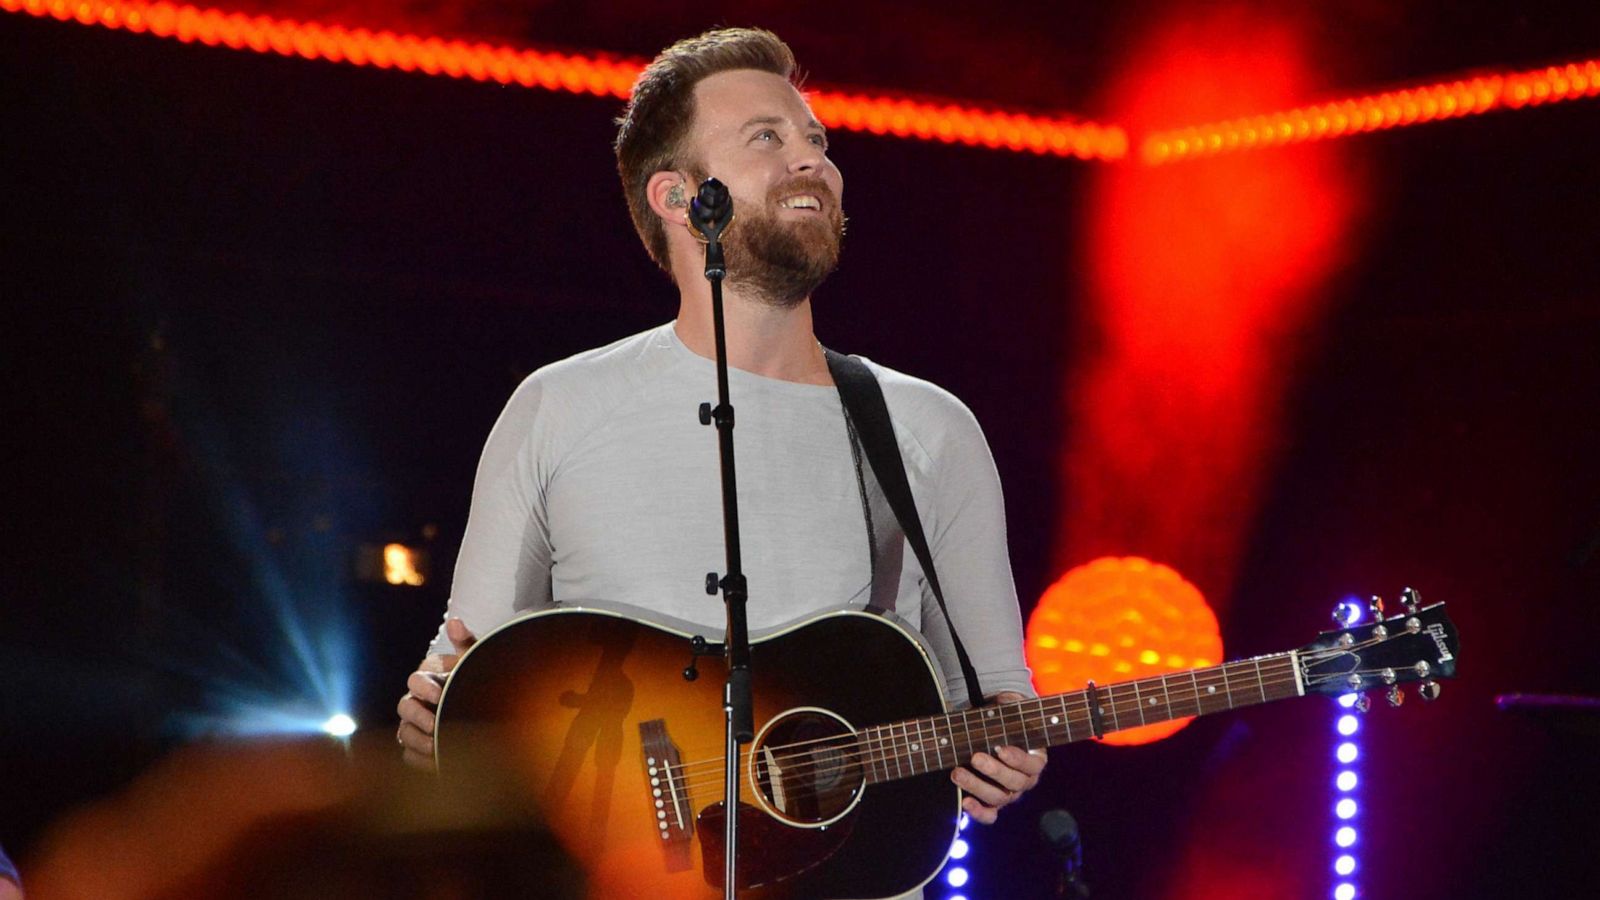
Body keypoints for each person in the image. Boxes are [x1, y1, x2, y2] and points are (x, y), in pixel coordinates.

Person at [395, 26, 1044, 832]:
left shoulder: (929, 429)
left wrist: (1006, 750)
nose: (813, 160)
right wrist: (433, 720)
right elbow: (471, 671)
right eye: (767, 138)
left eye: (816, 140)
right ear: (675, 198)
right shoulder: (558, 407)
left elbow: (996, 700)